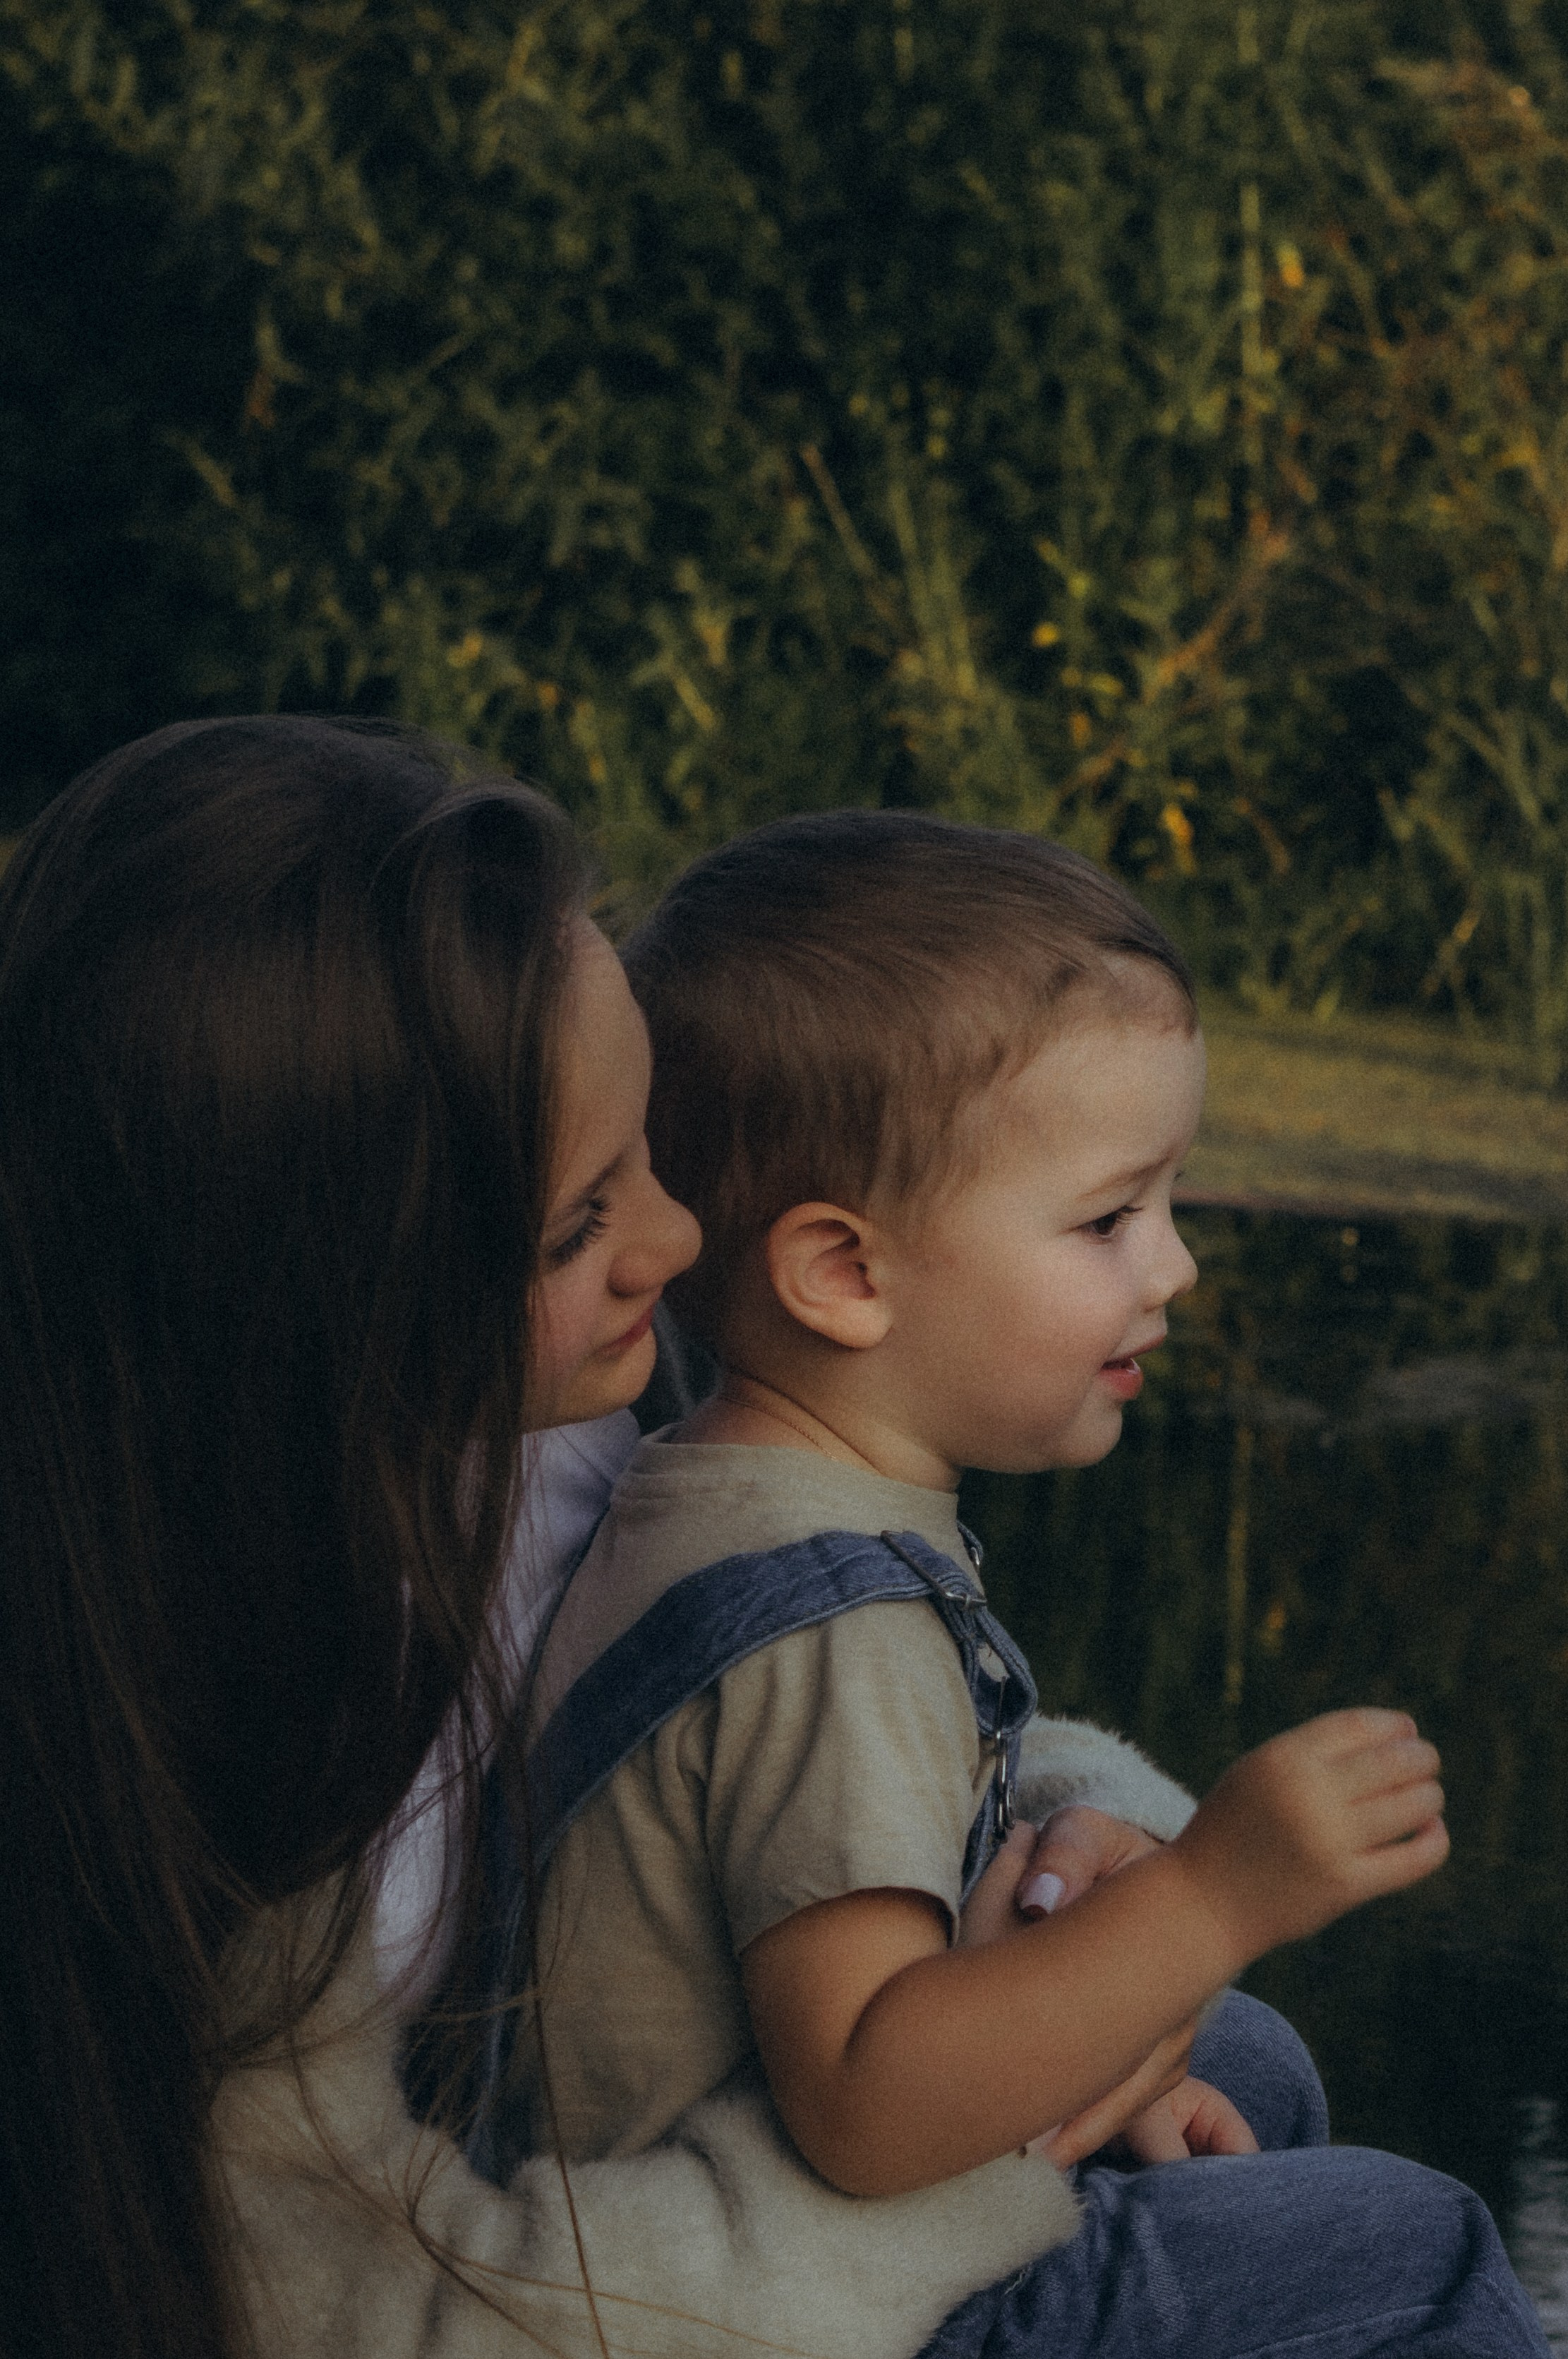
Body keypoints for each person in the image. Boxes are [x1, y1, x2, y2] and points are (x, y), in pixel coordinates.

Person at [0, 718, 1215, 2359]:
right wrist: (997, 2151)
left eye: (649, 1150)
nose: (682, 1233)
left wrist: (1101, 1860)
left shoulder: (541, 1446)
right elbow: (378, 2309)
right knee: (1390, 2245)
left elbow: (746, 1710)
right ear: (337, 1286)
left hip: (707, 2174)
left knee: (1251, 2075)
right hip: (544, 2294)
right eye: (583, 1217)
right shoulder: (214, 1760)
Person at [486, 810, 1550, 2357]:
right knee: (1419, 2249)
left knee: (1244, 2070)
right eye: (1109, 1218)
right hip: (739, 2308)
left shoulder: (727, 1493)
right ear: (845, 1275)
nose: (1173, 1267)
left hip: (762, 2220)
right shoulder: (822, 1627)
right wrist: (1210, 1894)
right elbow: (866, 2095)